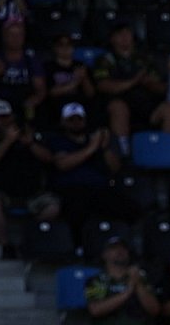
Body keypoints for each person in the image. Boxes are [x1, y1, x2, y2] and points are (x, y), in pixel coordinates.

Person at [47, 101, 137, 245]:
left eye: (79, 119)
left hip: (99, 188)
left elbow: (114, 168)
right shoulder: (57, 141)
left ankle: (121, 245)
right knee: (76, 210)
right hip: (71, 189)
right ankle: (78, 248)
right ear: (63, 122)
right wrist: (92, 147)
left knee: (130, 208)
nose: (76, 123)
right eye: (71, 119)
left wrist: (105, 147)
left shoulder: (97, 140)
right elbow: (62, 164)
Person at [0, 98, 59, 255]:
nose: (1, 121)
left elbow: (50, 159)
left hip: (32, 194)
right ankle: (5, 245)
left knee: (53, 206)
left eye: (5, 117)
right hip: (3, 194)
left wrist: (30, 143)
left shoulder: (28, 135)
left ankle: (28, 240)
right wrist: (7, 141)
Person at [92, 22, 170, 153]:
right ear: (112, 39)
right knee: (118, 107)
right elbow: (103, 85)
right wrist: (133, 81)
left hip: (145, 104)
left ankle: (168, 151)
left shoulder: (145, 59)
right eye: (120, 34)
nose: (125, 37)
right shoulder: (105, 60)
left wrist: (149, 83)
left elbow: (161, 88)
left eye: (128, 33)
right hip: (118, 103)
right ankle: (123, 153)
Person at [0, 21, 46, 122]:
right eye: (11, 35)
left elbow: (40, 88)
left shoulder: (31, 59)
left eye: (19, 35)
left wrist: (33, 100)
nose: (15, 38)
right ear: (4, 36)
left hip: (23, 100)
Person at [41, 32, 96, 128]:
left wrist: (84, 78)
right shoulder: (48, 67)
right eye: (61, 45)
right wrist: (76, 82)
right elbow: (52, 92)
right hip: (57, 105)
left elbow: (90, 93)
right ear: (55, 48)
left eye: (69, 44)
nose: (65, 48)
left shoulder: (81, 66)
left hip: (80, 103)